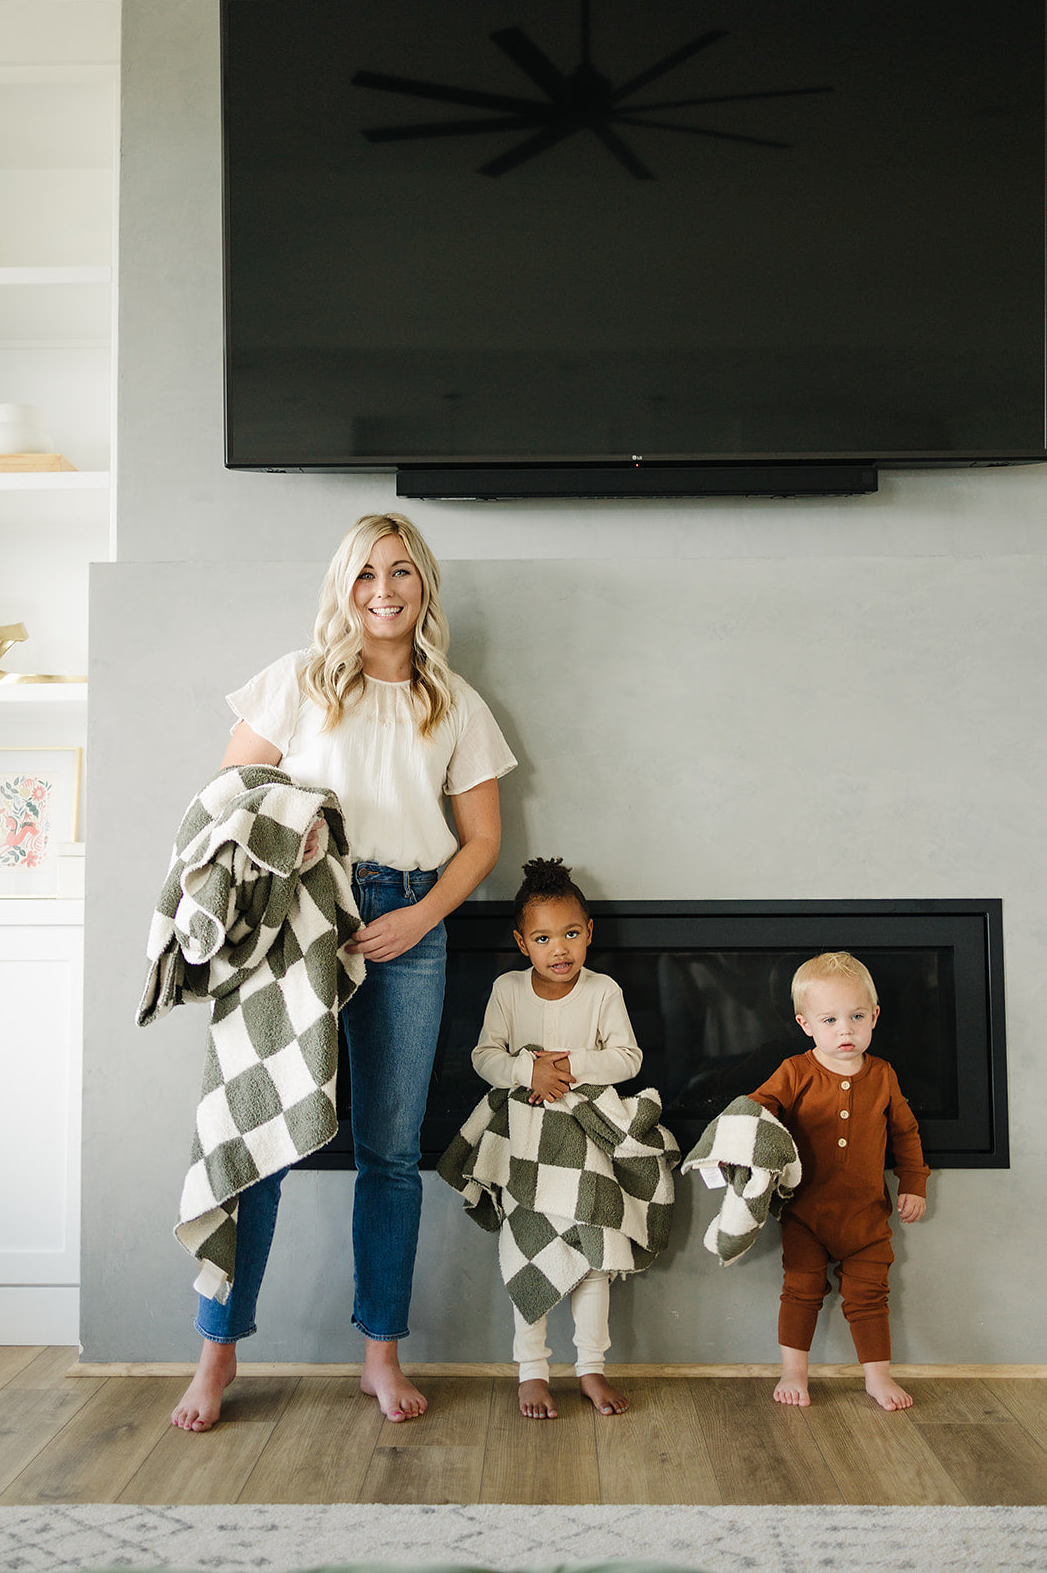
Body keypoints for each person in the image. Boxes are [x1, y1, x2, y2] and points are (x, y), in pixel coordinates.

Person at [171, 512, 516, 1430]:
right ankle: (216, 1356)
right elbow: (227, 805)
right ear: (343, 588)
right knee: (258, 1143)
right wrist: (297, 826)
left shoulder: (455, 703)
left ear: (422, 588)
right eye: (365, 574)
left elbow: (483, 841)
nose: (383, 591)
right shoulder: (295, 681)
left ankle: (380, 1354)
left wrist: (420, 917)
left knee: (391, 1155)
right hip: (299, 920)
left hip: (411, 923)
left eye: (401, 573)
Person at [463, 857, 676, 1420]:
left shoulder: (602, 990)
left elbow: (627, 1057)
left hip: (587, 1141)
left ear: (588, 934)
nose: (560, 949)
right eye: (543, 937)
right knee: (526, 1248)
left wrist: (570, 1066)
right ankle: (531, 1371)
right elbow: (485, 1056)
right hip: (526, 1142)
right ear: (521, 942)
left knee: (595, 1251)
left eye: (571, 934)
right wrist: (527, 1071)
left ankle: (591, 1368)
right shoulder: (507, 990)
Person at [748, 951, 929, 1411]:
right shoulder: (796, 1071)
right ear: (805, 1023)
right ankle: (794, 1370)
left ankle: (877, 1376)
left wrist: (913, 1180)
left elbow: (905, 1133)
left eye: (856, 1017)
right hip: (806, 1213)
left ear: (875, 1016)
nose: (845, 1030)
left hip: (867, 1218)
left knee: (870, 1295)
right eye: (829, 1020)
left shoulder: (883, 1075)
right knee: (801, 1289)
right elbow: (756, 1107)